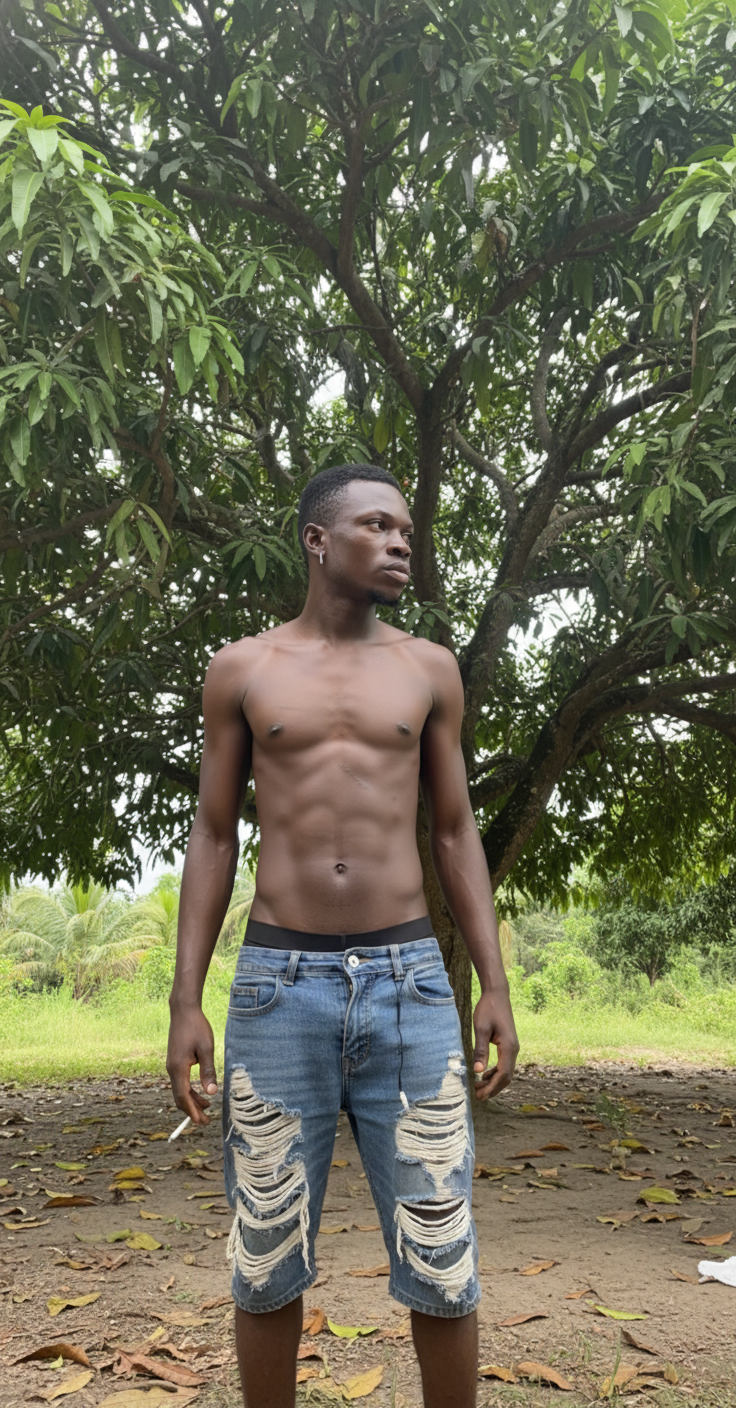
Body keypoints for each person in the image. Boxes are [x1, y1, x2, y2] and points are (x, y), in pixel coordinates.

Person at [167, 463, 519, 1408]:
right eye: (378, 525)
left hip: (409, 984)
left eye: (407, 529)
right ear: (319, 541)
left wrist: (493, 983)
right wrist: (185, 999)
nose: (402, 542)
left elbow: (453, 830)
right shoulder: (242, 669)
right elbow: (213, 831)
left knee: (442, 1253)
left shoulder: (427, 668)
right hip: (277, 986)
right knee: (267, 1250)